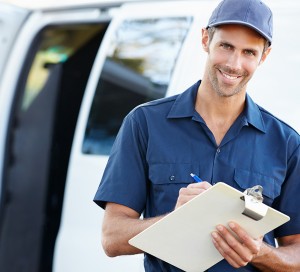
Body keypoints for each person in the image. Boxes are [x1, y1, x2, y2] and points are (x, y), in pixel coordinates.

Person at [93, 0, 300, 270]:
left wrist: (258, 252)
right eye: (226, 46)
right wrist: (174, 221)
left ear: (264, 56)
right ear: (206, 39)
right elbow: (112, 237)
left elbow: (295, 253)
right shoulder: (144, 123)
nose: (234, 64)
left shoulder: (286, 143)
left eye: (249, 52)